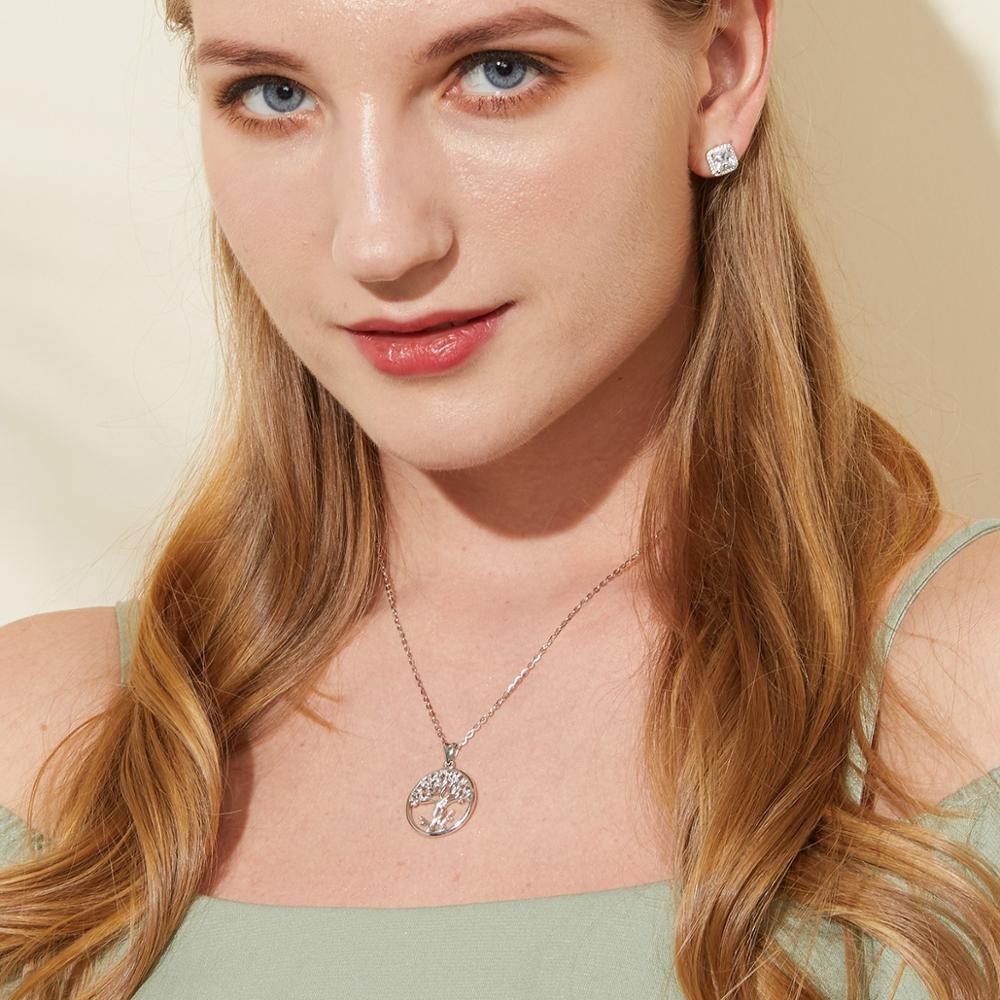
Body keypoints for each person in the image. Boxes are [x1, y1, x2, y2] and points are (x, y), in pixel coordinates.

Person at [1, 0, 998, 996]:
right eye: (273, 94)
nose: (379, 240)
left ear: (721, 71)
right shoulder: (41, 747)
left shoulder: (967, 685)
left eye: (497, 72)